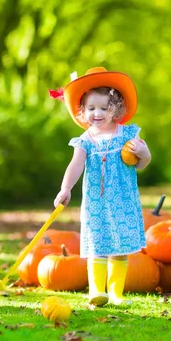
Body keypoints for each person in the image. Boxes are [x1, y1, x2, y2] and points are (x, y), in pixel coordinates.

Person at [52, 67, 151, 306]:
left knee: (119, 246)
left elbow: (141, 165)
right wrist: (66, 188)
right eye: (91, 108)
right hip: (96, 201)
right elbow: (75, 165)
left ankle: (116, 293)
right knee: (97, 243)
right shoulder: (86, 139)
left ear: (115, 108)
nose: (98, 113)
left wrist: (144, 153)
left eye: (104, 108)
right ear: (83, 111)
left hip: (123, 199)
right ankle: (96, 291)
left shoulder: (128, 135)